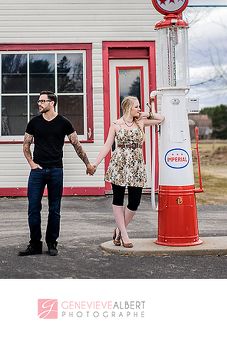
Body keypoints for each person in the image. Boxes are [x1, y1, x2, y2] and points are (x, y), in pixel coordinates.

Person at [18, 91, 96, 256]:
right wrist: (32, 164)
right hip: (37, 172)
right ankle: (34, 244)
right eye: (38, 101)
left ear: (52, 103)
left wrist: (88, 164)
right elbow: (26, 146)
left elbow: (76, 145)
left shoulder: (63, 122)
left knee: (54, 209)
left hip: (56, 171)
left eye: (43, 101)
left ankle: (52, 243)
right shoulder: (34, 122)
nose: (39, 103)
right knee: (33, 208)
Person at [93, 96, 164, 248]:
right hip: (119, 165)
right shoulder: (116, 124)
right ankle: (124, 235)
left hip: (136, 166)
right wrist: (96, 163)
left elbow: (161, 118)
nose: (139, 109)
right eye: (137, 107)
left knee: (135, 201)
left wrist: (146, 113)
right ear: (128, 108)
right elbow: (107, 146)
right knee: (118, 199)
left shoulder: (141, 122)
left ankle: (119, 230)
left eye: (139, 107)